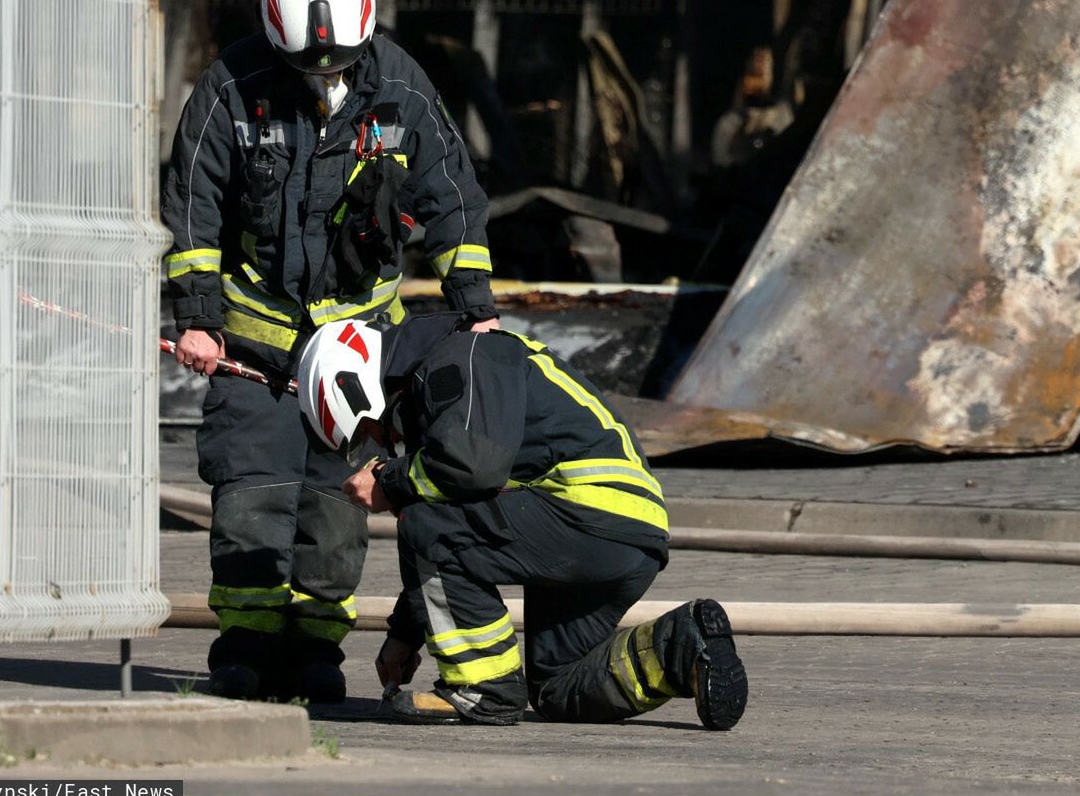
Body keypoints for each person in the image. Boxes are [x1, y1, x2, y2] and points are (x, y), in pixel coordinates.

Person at [162, 0, 498, 703]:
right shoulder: (231, 88)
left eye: (340, 62)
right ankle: (245, 646)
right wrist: (199, 316)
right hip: (255, 346)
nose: (325, 77)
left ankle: (316, 648)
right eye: (307, 65)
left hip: (358, 353)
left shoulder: (401, 89)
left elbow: (452, 196)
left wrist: (474, 308)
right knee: (250, 495)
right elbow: (192, 206)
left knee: (338, 507)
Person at [296, 313, 749, 730]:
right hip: (624, 531)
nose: (384, 440)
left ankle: (482, 689)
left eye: (373, 430)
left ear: (356, 386)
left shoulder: (461, 357)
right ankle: (681, 646)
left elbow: (471, 472)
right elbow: (461, 519)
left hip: (588, 515)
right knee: (559, 688)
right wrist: (404, 634)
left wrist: (389, 482)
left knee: (424, 520)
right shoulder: (460, 371)